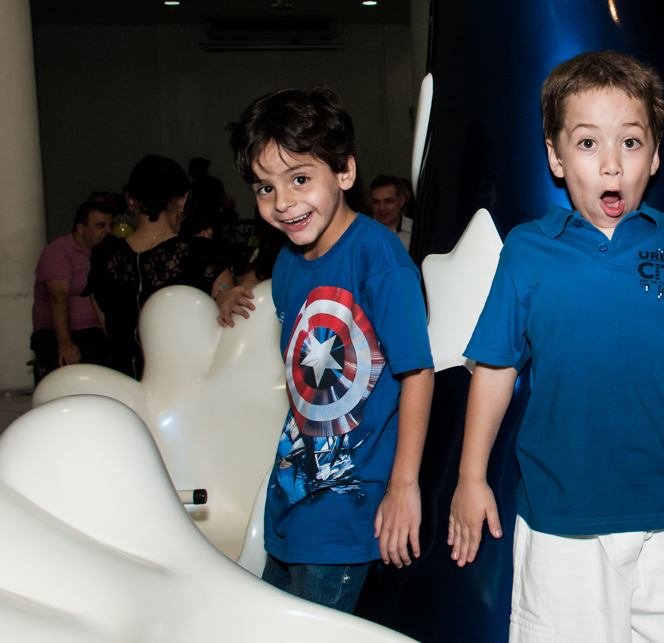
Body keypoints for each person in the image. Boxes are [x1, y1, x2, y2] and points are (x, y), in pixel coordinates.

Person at [447, 51, 664, 643]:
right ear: (555, 156)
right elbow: (493, 368)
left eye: (630, 142)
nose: (611, 166)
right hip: (562, 519)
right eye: (588, 144)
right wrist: (471, 477)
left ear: (654, 155)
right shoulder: (525, 251)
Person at [229, 86, 434, 613]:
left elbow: (417, 373)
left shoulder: (379, 259)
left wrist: (404, 485)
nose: (284, 203)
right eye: (264, 188)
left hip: (348, 509)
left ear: (344, 171)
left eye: (300, 179)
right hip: (291, 499)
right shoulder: (289, 265)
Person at [84, 155, 233, 380]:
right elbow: (222, 330)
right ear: (182, 200)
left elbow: (110, 329)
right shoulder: (203, 254)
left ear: (130, 200)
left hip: (122, 384)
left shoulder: (104, 257)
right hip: (183, 387)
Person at [30, 202, 113, 380]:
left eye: (110, 225)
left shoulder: (107, 253)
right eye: (100, 226)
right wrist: (65, 343)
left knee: (120, 355)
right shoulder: (58, 251)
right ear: (81, 228)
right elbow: (57, 297)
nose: (108, 230)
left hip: (94, 330)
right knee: (70, 364)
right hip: (56, 333)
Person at [370, 174, 413, 250]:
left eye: (388, 201)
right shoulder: (364, 231)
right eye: (376, 202)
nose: (382, 208)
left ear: (401, 201)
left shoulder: (414, 231)